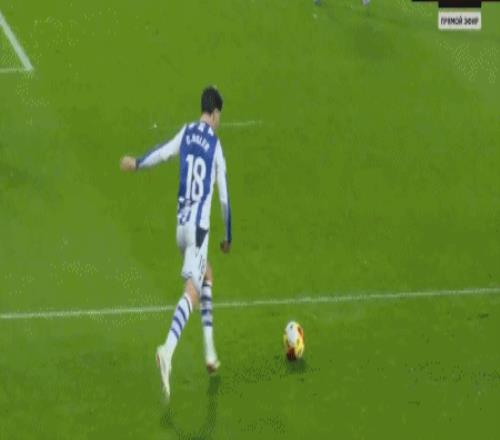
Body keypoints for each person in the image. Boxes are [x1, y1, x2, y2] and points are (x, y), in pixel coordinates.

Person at [120, 86, 232, 401]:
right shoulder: (215, 146)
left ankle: (210, 353)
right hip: (198, 231)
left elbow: (163, 153)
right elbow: (224, 198)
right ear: (215, 113)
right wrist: (228, 236)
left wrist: (137, 163)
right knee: (192, 291)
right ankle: (167, 350)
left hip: (181, 226)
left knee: (207, 274)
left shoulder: (186, 132)